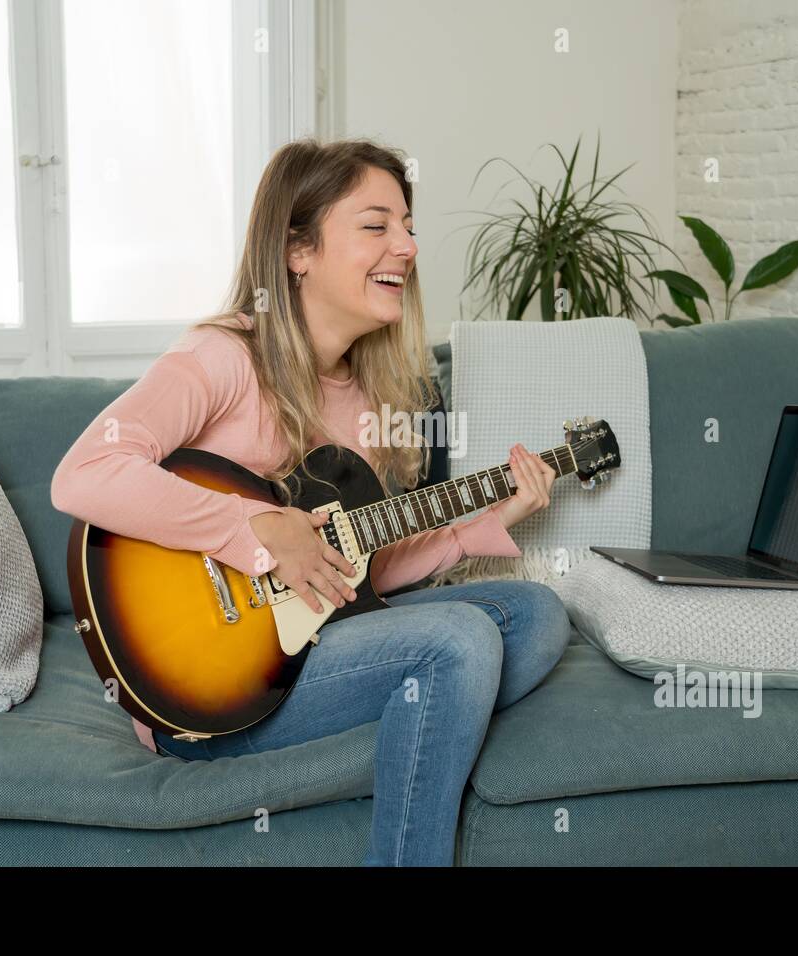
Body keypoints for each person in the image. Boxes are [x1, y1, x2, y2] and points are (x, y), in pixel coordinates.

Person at [50, 137, 571, 866]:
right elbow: (84, 472)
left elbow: (352, 576)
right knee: (460, 640)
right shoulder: (223, 357)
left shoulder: (371, 399)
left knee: (537, 616)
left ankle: (414, 718)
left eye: (408, 226)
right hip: (210, 683)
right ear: (299, 250)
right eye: (376, 224)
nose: (408, 246)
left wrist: (477, 529)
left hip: (319, 646)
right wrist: (255, 529)